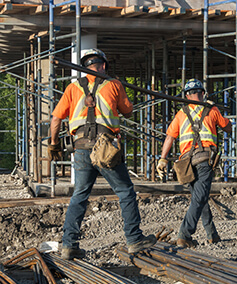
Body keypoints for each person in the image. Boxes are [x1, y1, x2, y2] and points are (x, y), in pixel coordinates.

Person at [48, 48, 156, 260]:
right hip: (105, 147)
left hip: (80, 148)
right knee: (125, 191)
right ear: (103, 65)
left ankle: (69, 245)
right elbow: (127, 111)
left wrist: (53, 144)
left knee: (79, 195)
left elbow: (55, 120)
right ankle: (134, 239)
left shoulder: (72, 87)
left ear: (84, 66)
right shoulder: (113, 85)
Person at [156, 78, 232, 248]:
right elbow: (228, 128)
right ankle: (184, 234)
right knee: (199, 198)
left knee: (200, 197)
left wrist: (162, 158)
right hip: (204, 159)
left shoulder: (181, 113)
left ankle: (212, 235)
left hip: (186, 164)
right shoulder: (211, 110)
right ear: (203, 93)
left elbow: (170, 136)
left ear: (186, 95)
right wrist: (216, 109)